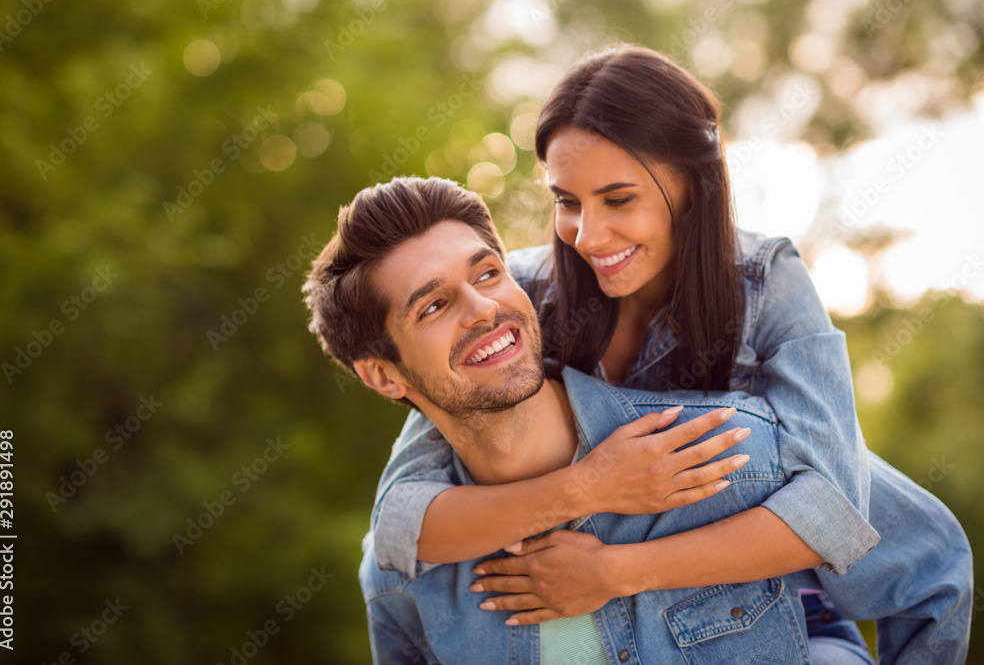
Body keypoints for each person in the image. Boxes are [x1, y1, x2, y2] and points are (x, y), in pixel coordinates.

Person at [359, 45, 973, 663]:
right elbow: (401, 522)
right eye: (568, 201)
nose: (588, 237)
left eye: (619, 199)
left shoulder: (766, 286)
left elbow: (833, 511)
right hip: (611, 622)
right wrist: (588, 488)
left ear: (691, 183)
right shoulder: (515, 301)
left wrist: (617, 571)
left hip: (768, 607)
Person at [304, 175, 868, 663]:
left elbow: (882, 540)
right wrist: (586, 487)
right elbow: (395, 528)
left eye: (487, 274)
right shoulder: (403, 582)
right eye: (432, 306)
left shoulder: (724, 450)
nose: (483, 310)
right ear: (383, 376)